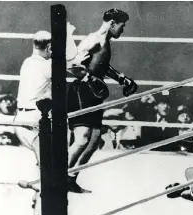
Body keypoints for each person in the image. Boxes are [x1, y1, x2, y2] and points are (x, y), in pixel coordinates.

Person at [66, 9, 138, 193]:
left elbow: (101, 65)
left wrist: (121, 78)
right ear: (113, 23)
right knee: (82, 139)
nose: (123, 30)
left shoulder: (104, 41)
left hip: (93, 93)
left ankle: (70, 179)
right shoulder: (94, 39)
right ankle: (57, 179)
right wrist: (89, 80)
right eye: (122, 26)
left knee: (94, 140)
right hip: (82, 90)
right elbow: (71, 65)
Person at [14, 30, 88, 170]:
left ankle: (40, 187)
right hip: (35, 121)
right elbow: (71, 64)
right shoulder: (46, 66)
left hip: (21, 120)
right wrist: (75, 59)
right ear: (48, 47)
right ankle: (42, 186)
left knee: (45, 165)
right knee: (48, 166)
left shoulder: (27, 62)